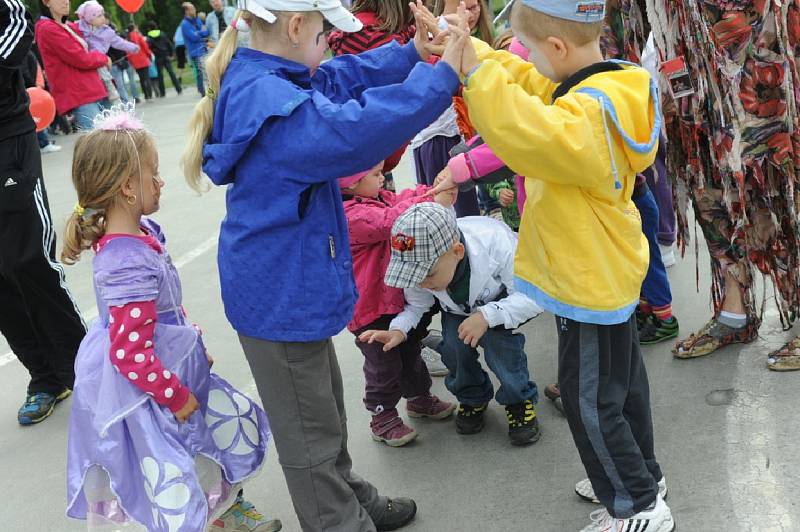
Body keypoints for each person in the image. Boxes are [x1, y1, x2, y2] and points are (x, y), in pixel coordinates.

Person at [182, 0, 470, 529]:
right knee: (310, 440)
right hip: (280, 294)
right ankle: (338, 518)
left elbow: (340, 77)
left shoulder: (266, 74)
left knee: (324, 417)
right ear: (296, 27)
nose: (329, 47)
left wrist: (411, 54)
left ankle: (348, 497)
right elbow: (353, 132)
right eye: (324, 34)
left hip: (290, 287)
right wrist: (441, 76)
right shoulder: (272, 101)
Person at [432, 0, 675, 530]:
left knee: (590, 401)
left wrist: (474, 74)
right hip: (601, 270)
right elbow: (529, 84)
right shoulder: (603, 89)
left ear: (559, 48)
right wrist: (468, 47)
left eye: (532, 50)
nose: (527, 61)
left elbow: (527, 130)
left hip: (585, 277)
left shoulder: (583, 117)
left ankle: (635, 505)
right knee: (622, 387)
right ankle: (638, 476)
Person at [62, 108, 281, 532]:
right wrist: (174, 394)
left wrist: (192, 346)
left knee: (204, 444)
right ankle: (211, 520)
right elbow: (129, 352)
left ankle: (223, 514)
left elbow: (165, 316)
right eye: (153, 174)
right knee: (177, 457)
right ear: (128, 187)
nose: (160, 182)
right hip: (148, 390)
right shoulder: (125, 262)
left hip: (168, 368)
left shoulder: (143, 233)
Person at [361, 203, 543, 446]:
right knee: (454, 350)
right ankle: (472, 396)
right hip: (456, 310)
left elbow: (534, 296)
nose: (422, 283)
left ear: (457, 252)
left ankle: (519, 400)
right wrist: (398, 329)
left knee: (503, 351)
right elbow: (417, 306)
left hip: (501, 303)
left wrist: (488, 316)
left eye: (428, 274)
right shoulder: (425, 274)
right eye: (415, 276)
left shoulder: (498, 243)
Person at [0, 0, 86, 426]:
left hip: (7, 143)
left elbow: (15, 41)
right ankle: (45, 377)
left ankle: (83, 367)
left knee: (30, 258)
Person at [340, 163, 456, 447]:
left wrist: (431, 188)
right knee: (383, 365)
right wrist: (431, 201)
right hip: (370, 308)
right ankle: (382, 416)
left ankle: (418, 399)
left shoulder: (378, 198)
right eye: (376, 174)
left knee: (410, 353)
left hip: (396, 299)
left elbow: (401, 200)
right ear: (352, 184)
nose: (383, 178)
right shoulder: (348, 215)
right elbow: (389, 221)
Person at [328, 0, 417, 193]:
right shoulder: (372, 34)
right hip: (369, 160)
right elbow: (411, 73)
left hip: (372, 151)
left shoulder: (375, 28)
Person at [35, 0, 110, 130]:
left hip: (92, 88)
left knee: (112, 141)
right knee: (97, 144)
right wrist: (103, 58)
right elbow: (80, 58)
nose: (66, 2)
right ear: (46, 2)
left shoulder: (68, 26)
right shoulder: (47, 28)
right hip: (80, 94)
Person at [76, 1, 140, 104]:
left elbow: (119, 42)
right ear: (90, 18)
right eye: (99, 16)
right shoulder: (79, 29)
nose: (103, 18)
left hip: (100, 62)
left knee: (107, 80)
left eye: (103, 15)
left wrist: (132, 47)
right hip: (87, 63)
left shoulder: (107, 32)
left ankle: (113, 98)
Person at [20, 48, 62, 153]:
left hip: (30, 88)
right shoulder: (22, 50)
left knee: (34, 118)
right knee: (34, 117)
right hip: (29, 89)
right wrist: (32, 86)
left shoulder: (23, 50)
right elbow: (24, 70)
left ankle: (42, 143)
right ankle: (44, 143)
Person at [145, 20, 183, 97]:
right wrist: (172, 54)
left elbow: (148, 48)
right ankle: (178, 89)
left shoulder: (149, 38)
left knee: (160, 76)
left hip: (158, 57)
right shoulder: (162, 34)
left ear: (149, 28)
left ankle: (162, 92)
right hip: (166, 56)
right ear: (156, 26)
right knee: (171, 73)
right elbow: (169, 44)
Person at [181, 1, 209, 96]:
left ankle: (206, 90)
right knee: (200, 73)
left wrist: (199, 33)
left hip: (203, 49)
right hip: (195, 52)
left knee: (206, 72)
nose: (195, 10)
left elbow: (206, 32)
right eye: (192, 8)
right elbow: (194, 37)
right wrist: (200, 33)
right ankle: (203, 92)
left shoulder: (197, 20)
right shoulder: (184, 24)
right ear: (187, 11)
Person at [125, 23, 154, 101]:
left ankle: (146, 95)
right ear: (134, 28)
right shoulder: (139, 36)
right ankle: (150, 94)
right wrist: (149, 55)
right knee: (147, 78)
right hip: (143, 59)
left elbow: (127, 52)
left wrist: (131, 61)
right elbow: (145, 47)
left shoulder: (127, 39)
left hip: (135, 62)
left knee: (141, 79)